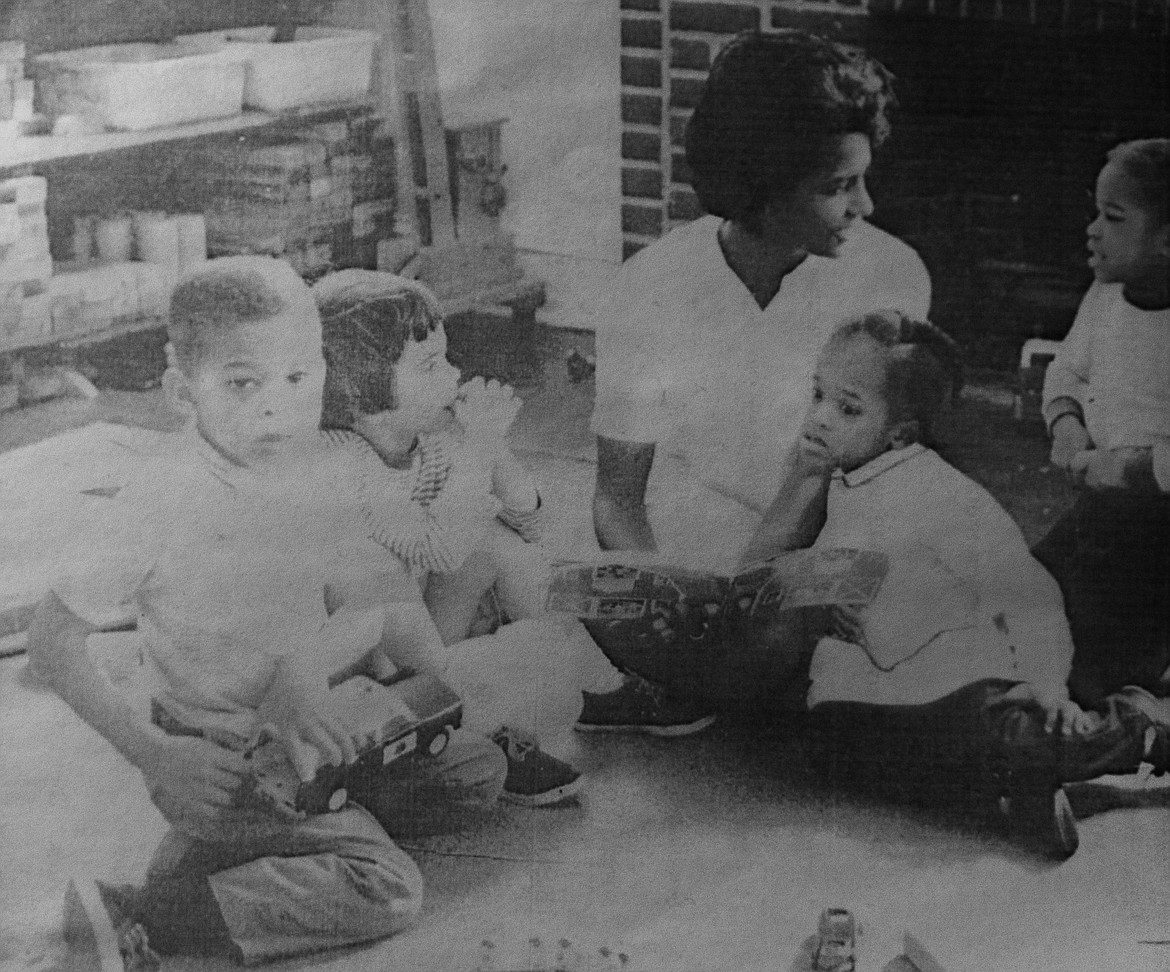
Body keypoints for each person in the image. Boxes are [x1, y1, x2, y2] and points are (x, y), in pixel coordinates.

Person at [27, 257, 509, 969]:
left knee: (475, 771)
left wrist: (324, 669)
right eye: (243, 383)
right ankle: (149, 911)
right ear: (181, 391)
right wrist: (156, 755)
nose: (278, 406)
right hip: (229, 760)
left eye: (298, 376)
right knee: (388, 890)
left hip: (312, 722)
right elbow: (50, 644)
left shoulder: (308, 462)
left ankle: (250, 855)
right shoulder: (161, 499)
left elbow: (364, 586)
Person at [584, 29, 931, 733]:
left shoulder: (890, 278)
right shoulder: (651, 284)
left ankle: (719, 688)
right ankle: (773, 693)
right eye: (837, 186)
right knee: (574, 596)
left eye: (863, 178)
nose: (864, 205)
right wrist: (667, 593)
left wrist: (775, 578)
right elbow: (617, 503)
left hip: (830, 544)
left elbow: (888, 485)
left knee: (809, 620)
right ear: (762, 188)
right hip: (694, 554)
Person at [796, 311, 1170, 858]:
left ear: (901, 433)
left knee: (1013, 739)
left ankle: (1138, 725)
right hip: (859, 701)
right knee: (839, 760)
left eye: (847, 408)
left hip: (957, 691)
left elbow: (1029, 592)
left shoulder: (944, 496)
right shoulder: (835, 483)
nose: (820, 418)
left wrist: (1049, 688)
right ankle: (1012, 792)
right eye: (818, 395)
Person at [314, 269, 592, 807]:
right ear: (359, 387)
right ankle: (477, 724)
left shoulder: (421, 443)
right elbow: (439, 549)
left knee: (496, 545)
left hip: (408, 648)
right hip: (348, 666)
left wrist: (496, 449)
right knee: (374, 570)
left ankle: (585, 678)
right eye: (430, 365)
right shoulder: (340, 461)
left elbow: (529, 525)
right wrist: (481, 447)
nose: (455, 373)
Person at [1034, 137, 1170, 708]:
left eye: (1113, 217)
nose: (1092, 229)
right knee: (1024, 597)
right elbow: (1067, 369)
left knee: (1096, 668)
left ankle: (1129, 718)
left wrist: (1134, 470)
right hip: (1100, 508)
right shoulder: (1106, 296)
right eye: (1096, 210)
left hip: (1158, 529)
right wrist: (1066, 425)